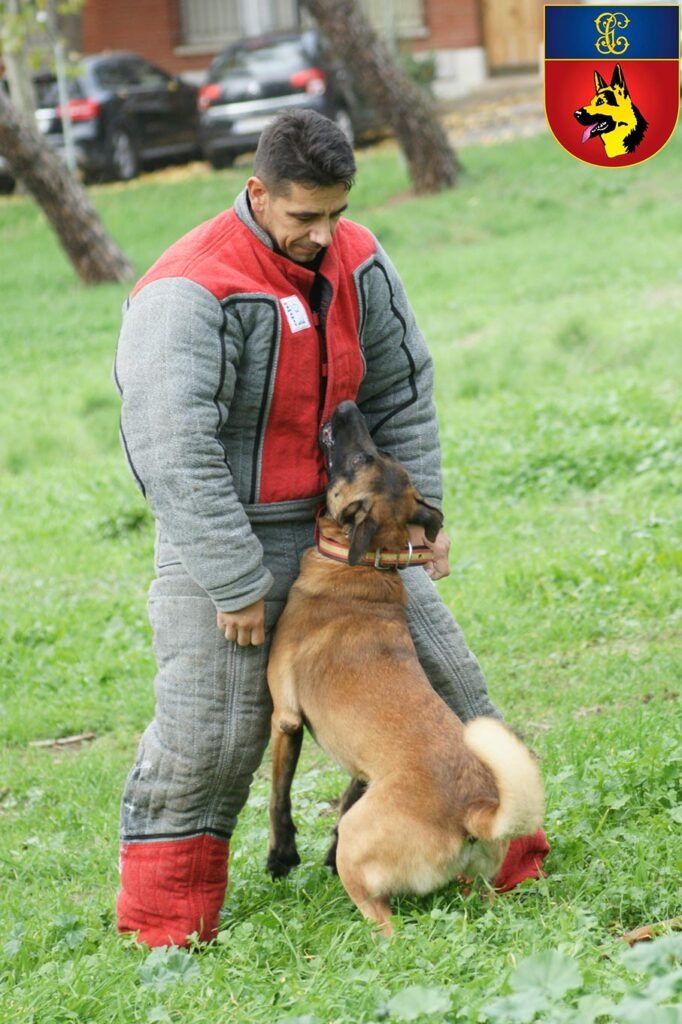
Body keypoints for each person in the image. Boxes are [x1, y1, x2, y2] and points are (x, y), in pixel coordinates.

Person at [114, 109, 548, 948]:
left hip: (349, 533)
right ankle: (163, 934)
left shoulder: (359, 259)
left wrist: (426, 520)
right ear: (257, 192)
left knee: (455, 689)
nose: (322, 234)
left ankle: (511, 866)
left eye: (335, 214)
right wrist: (233, 579)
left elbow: (401, 390)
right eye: (302, 216)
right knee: (212, 732)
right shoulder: (188, 288)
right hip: (227, 531)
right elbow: (170, 444)